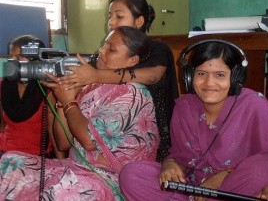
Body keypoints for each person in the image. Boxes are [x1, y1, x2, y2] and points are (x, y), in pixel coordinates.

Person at [0, 26, 160, 200]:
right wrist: (63, 99)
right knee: (11, 162)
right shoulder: (91, 86)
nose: (101, 51)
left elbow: (89, 142)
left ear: (132, 60)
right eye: (104, 45)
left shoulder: (132, 94)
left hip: (108, 177)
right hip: (76, 167)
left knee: (62, 193)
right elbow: (63, 143)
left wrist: (69, 102)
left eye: (111, 49)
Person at [119, 39, 268, 200]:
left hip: (234, 189)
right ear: (189, 77)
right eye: (201, 74)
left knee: (263, 168)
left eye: (220, 75)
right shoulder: (184, 107)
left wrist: (223, 177)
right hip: (191, 189)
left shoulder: (254, 105)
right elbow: (179, 156)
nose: (209, 83)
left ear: (235, 78)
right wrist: (170, 164)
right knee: (132, 175)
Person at [59, 0, 179, 162]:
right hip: (112, 130)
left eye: (119, 16)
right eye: (110, 16)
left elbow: (151, 76)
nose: (111, 22)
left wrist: (94, 75)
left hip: (153, 132)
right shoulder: (106, 56)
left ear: (139, 21)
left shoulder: (157, 49)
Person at [0, 35, 63, 159]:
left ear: (35, 61)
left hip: (35, 157)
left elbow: (52, 130)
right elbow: (2, 125)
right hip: (5, 152)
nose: (12, 62)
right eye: (10, 57)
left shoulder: (47, 89)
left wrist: (61, 162)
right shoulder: (4, 85)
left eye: (18, 58)